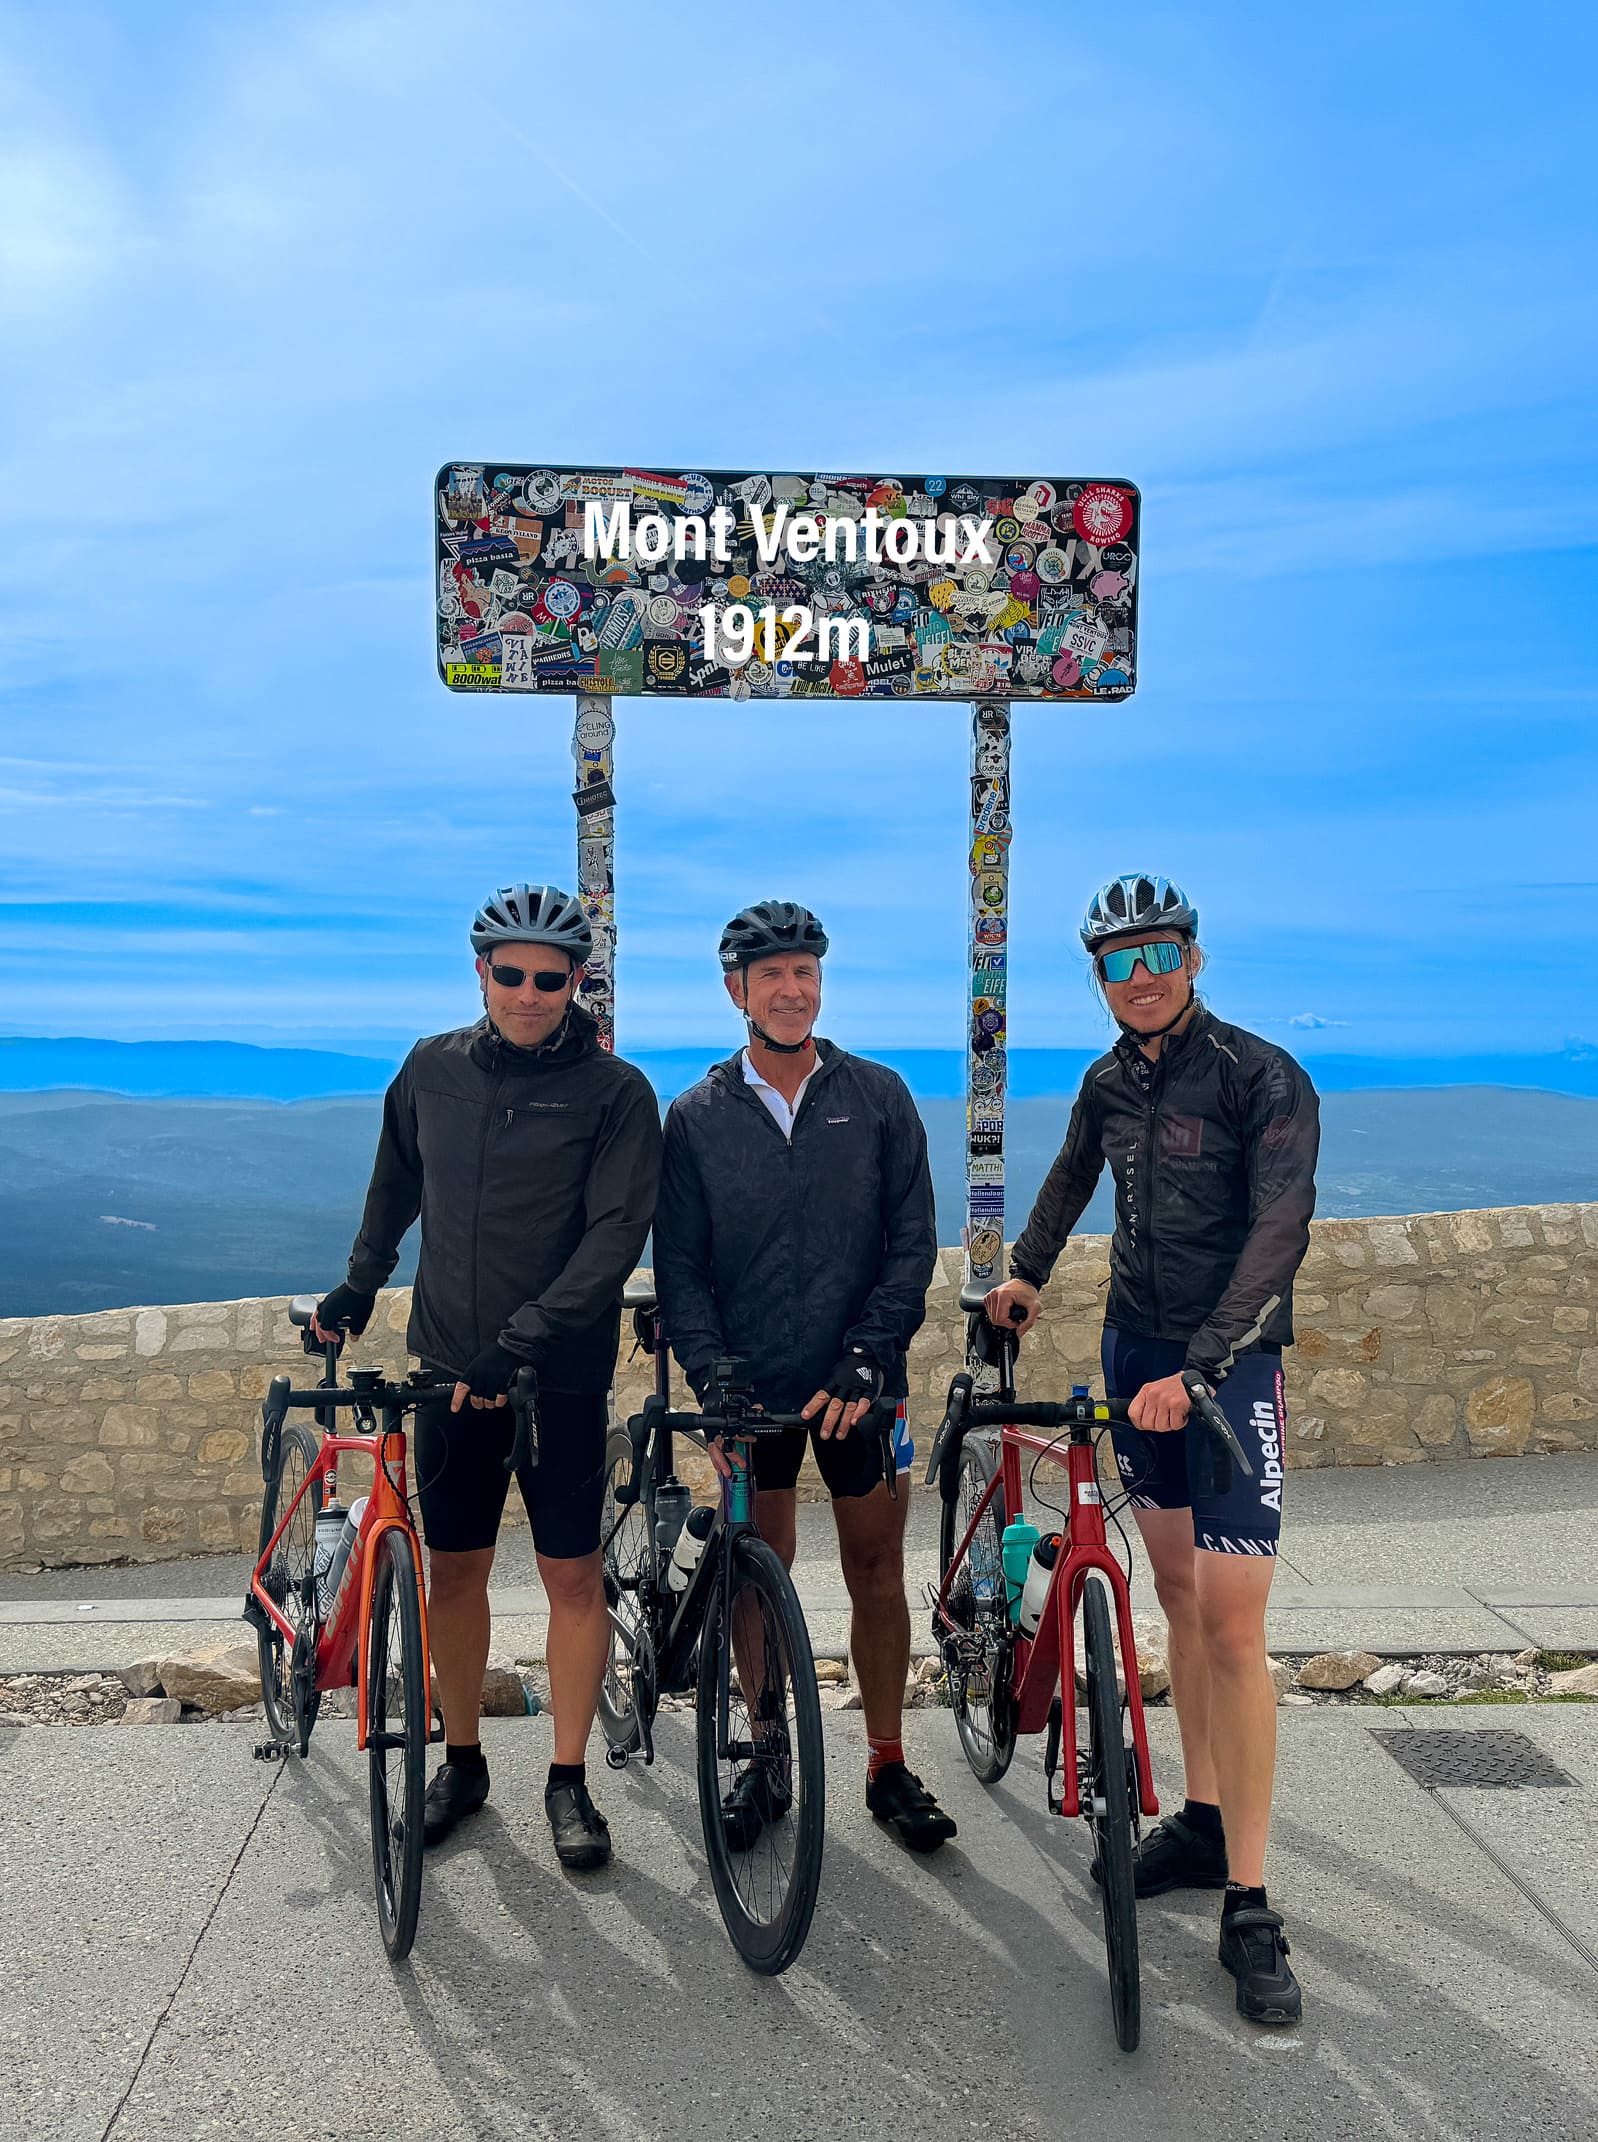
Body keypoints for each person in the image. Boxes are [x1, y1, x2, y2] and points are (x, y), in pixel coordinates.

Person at [984, 872, 1319, 2027]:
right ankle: (1204, 1820)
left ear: (1191, 959)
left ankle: (1249, 1904)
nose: (1139, 977)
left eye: (1157, 953)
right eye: (1117, 962)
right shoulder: (1104, 1083)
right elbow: (1070, 1177)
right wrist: (1025, 1272)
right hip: (1135, 1354)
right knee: (1174, 1596)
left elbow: (1280, 1225)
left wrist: (1208, 1363)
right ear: (1098, 977)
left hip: (1229, 1369)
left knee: (1230, 1628)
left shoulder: (1257, 1073)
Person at [312, 883, 661, 1871]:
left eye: (550, 979)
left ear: (576, 982)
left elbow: (614, 1237)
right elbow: (395, 1185)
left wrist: (524, 1341)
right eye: (510, 974)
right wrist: (357, 1286)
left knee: (571, 1576)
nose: (528, 994)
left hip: (557, 1374)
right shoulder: (431, 1068)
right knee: (454, 1570)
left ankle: (567, 1779)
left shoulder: (615, 1093)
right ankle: (462, 1763)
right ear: (481, 972)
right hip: (449, 1367)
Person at [653, 900, 956, 1852]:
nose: (792, 990)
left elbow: (911, 1246)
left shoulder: (878, 1097)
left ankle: (887, 1761)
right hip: (751, 1388)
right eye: (772, 976)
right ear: (736, 991)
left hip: (860, 1385)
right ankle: (767, 1749)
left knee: (877, 1568)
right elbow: (682, 1268)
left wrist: (868, 1356)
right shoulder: (696, 1117)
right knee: (758, 1567)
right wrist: (713, 1377)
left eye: (806, 973)